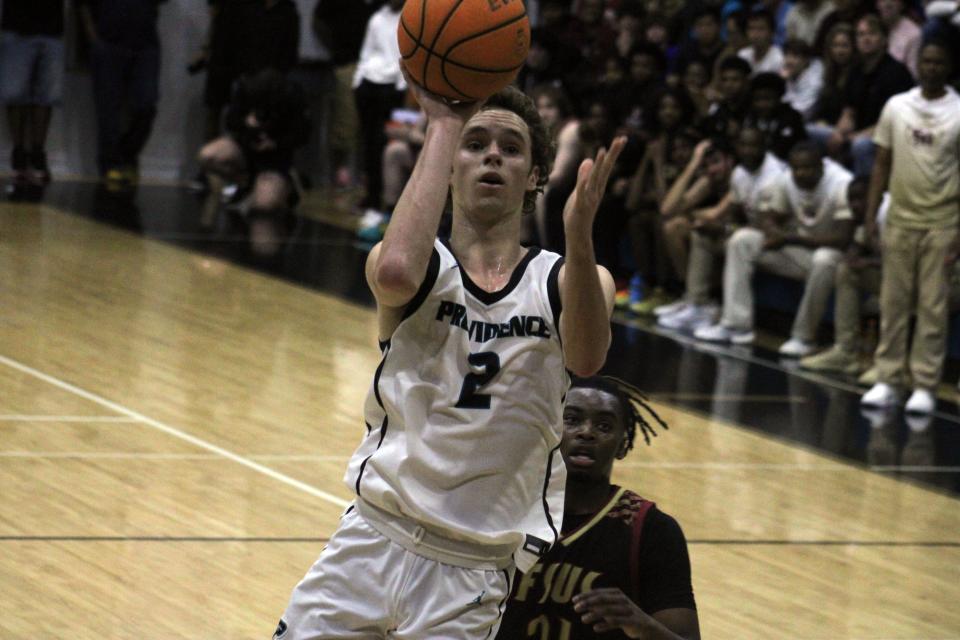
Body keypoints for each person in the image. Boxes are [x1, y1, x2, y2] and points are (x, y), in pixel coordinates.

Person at [274, 80, 624, 638]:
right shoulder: (423, 266)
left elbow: (586, 357)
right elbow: (394, 277)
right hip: (372, 539)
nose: (491, 155)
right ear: (449, 166)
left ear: (534, 176)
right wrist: (441, 123)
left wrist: (579, 234)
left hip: (473, 570)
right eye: (474, 142)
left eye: (511, 149)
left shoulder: (566, 280)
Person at [496, 376, 700, 640]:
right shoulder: (503, 510)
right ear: (551, 429)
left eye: (604, 426)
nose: (586, 432)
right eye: (571, 420)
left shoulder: (652, 529)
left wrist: (642, 625)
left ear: (623, 444)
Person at [860, 40, 960, 413]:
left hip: (943, 221)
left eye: (939, 62)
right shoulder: (897, 106)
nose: (931, 67)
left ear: (949, 68)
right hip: (900, 216)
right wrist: (871, 215)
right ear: (917, 64)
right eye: (926, 61)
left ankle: (925, 384)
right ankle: (888, 378)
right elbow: (881, 165)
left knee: (932, 306)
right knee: (893, 302)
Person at [694, 141, 854, 355]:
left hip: (832, 254)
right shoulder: (787, 179)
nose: (800, 173)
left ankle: (803, 338)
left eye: (807, 168)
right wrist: (773, 230)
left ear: (822, 167)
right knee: (743, 239)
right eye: (796, 168)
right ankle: (736, 325)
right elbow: (768, 218)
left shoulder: (841, 183)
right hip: (798, 249)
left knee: (824, 259)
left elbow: (843, 238)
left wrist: (789, 237)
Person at [659, 128, 786, 331]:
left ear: (730, 159)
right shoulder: (737, 174)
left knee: (725, 236)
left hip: (768, 239)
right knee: (688, 229)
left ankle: (729, 320)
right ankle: (695, 303)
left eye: (716, 162)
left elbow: (723, 217)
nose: (711, 169)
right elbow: (668, 209)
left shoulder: (768, 176)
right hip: (742, 232)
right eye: (706, 164)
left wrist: (709, 221)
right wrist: (693, 164)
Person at [197, 69, 310, 257]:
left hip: (276, 158)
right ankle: (243, 182)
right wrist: (247, 125)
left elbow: (302, 133)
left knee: (263, 210)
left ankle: (287, 187)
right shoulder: (245, 90)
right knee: (208, 155)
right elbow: (230, 121)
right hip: (245, 148)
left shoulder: (291, 95)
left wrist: (275, 142)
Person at [76, 0, 167, 190]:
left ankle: (127, 154)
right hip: (108, 42)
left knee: (146, 103)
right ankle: (110, 163)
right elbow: (82, 4)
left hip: (145, 44)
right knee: (108, 108)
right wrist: (92, 38)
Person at [0, 0, 64, 196]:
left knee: (47, 94)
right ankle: (20, 154)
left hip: (51, 27)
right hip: (17, 25)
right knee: (14, 92)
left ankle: (37, 153)